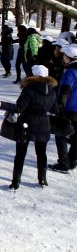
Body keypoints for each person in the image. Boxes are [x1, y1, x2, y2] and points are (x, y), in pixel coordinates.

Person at [0, 65, 58, 189]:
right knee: (41, 154)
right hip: (44, 125)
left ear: (34, 75)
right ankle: (42, 180)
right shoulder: (52, 90)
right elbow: (55, 109)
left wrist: (1, 105)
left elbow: (19, 108)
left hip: (26, 124)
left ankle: (16, 182)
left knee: (20, 154)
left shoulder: (29, 88)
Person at [49, 44, 77, 174]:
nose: (63, 58)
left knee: (60, 134)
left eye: (65, 56)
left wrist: (59, 107)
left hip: (70, 109)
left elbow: (65, 92)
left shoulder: (70, 73)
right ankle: (72, 160)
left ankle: (63, 163)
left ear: (70, 58)